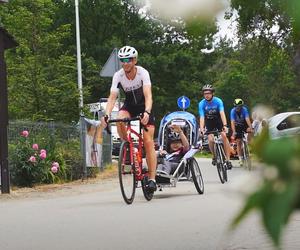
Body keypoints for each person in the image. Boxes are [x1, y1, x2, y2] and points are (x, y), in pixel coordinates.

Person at [101, 45, 157, 192]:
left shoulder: (142, 73)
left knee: (148, 141)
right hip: (130, 106)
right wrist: (106, 114)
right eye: (123, 60)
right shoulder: (118, 75)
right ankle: (129, 146)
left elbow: (148, 95)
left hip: (144, 106)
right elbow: (112, 97)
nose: (125, 63)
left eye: (128, 60)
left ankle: (152, 178)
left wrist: (147, 112)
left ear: (134, 60)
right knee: (119, 117)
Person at [198, 84, 233, 169]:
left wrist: (225, 125)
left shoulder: (218, 101)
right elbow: (202, 117)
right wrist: (202, 128)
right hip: (209, 121)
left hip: (218, 120)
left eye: (209, 93)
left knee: (224, 136)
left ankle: (228, 160)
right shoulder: (201, 103)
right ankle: (214, 156)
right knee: (210, 139)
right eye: (205, 93)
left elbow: (222, 113)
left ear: (212, 93)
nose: (207, 95)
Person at [230, 98, 253, 166]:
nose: (238, 108)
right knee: (239, 142)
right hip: (237, 126)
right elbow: (232, 122)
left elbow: (247, 119)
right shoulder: (232, 111)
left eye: (240, 106)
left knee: (250, 131)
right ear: (235, 106)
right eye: (237, 106)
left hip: (244, 124)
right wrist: (234, 132)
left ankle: (248, 146)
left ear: (242, 106)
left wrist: (251, 127)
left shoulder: (244, 110)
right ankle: (240, 159)